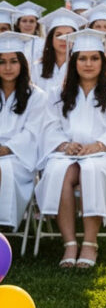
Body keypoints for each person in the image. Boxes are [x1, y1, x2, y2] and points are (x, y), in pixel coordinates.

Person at [36, 29, 106, 268]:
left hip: (105, 154)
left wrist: (98, 145)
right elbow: (49, 127)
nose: (88, 63)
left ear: (103, 62)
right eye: (82, 58)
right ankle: (70, 243)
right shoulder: (58, 94)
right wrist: (64, 144)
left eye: (95, 58)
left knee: (91, 170)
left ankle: (90, 243)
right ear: (74, 62)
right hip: (66, 153)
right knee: (59, 172)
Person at [0, 32, 47, 230]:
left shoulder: (36, 96)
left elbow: (32, 133)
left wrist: (6, 149)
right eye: (2, 62)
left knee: (4, 168)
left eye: (13, 61)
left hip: (19, 157)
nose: (8, 68)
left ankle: (3, 225)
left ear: (22, 64)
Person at [33, 9, 88, 94]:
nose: (64, 39)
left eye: (68, 35)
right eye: (59, 35)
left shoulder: (82, 66)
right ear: (51, 38)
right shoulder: (37, 67)